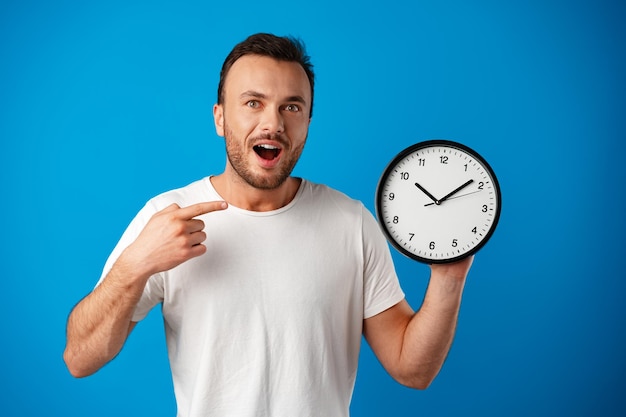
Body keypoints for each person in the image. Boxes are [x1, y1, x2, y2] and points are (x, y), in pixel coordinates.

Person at [63, 33, 473, 416]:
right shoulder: (168, 215)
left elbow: (412, 369)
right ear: (220, 118)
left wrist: (449, 275)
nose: (273, 123)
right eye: (253, 102)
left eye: (291, 107)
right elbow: (80, 359)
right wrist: (135, 265)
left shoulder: (351, 222)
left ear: (308, 122)